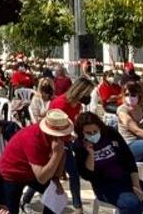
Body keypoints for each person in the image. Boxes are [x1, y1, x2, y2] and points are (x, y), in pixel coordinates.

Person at [74, 111, 143, 214]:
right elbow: (87, 175)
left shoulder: (110, 133)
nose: (92, 135)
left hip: (127, 178)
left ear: (99, 127)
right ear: (82, 132)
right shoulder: (79, 146)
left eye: (95, 131)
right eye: (88, 133)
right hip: (105, 185)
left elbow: (128, 159)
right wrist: (90, 154)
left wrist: (136, 185)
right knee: (132, 206)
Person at [0, 109, 72, 214]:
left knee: (56, 194)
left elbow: (62, 157)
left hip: (31, 171)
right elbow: (42, 178)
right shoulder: (33, 138)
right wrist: (56, 153)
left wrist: (56, 180)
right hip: (12, 173)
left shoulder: (60, 138)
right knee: (10, 210)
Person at [50, 77, 96, 213]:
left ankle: (78, 207)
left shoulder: (78, 106)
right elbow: (53, 127)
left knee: (73, 173)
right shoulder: (60, 104)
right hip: (54, 142)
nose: (88, 97)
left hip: (66, 142)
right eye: (87, 93)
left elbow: (75, 125)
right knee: (49, 174)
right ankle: (26, 199)